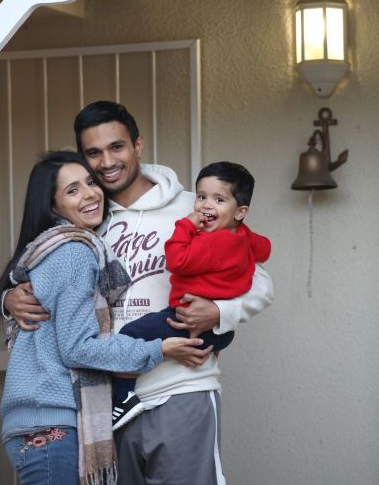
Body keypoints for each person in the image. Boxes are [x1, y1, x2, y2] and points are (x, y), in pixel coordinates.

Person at [4, 101, 274, 485]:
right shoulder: (84, 218)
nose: (107, 162)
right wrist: (10, 298)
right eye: (93, 153)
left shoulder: (194, 207)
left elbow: (259, 282)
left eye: (117, 147)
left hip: (180, 385)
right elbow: (39, 275)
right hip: (104, 405)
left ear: (138, 145)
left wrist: (219, 311)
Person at [0, 150, 210, 485]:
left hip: (38, 423)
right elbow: (78, 348)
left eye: (90, 183)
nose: (90, 194)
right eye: (72, 190)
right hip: (51, 423)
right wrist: (158, 349)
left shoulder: (48, 248)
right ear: (52, 206)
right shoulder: (75, 251)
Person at [111, 160, 271, 431]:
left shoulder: (213, 242)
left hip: (183, 320)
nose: (206, 205)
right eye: (201, 197)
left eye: (219, 199)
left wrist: (185, 226)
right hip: (218, 332)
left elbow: (177, 259)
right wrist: (244, 235)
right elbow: (264, 249)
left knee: (129, 334)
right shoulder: (240, 235)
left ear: (241, 211)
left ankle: (124, 394)